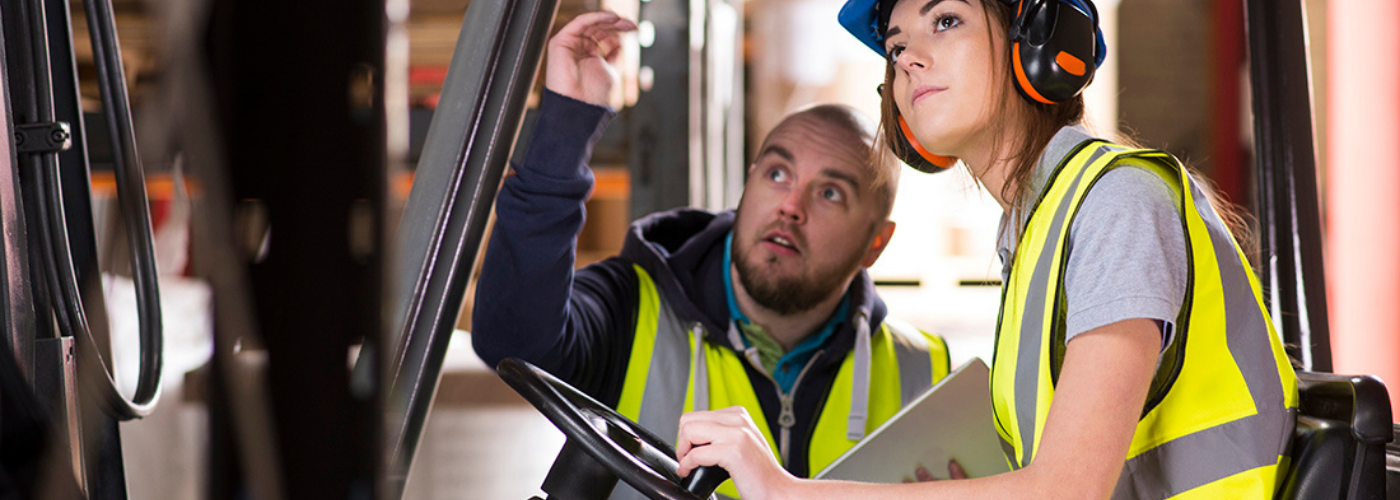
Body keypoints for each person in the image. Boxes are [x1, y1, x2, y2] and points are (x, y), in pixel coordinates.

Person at [671, 1, 1299, 499]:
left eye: (945, 21)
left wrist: (787, 493)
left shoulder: (1118, 202)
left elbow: (1066, 491)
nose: (908, 58)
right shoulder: (1036, 232)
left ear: (1041, 43)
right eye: (894, 45)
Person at [471, 11, 951, 499]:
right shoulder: (632, 309)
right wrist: (565, 126)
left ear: (876, 243)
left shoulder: (925, 377)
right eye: (777, 174)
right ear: (747, 184)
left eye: (830, 194)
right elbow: (512, 339)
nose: (791, 207)